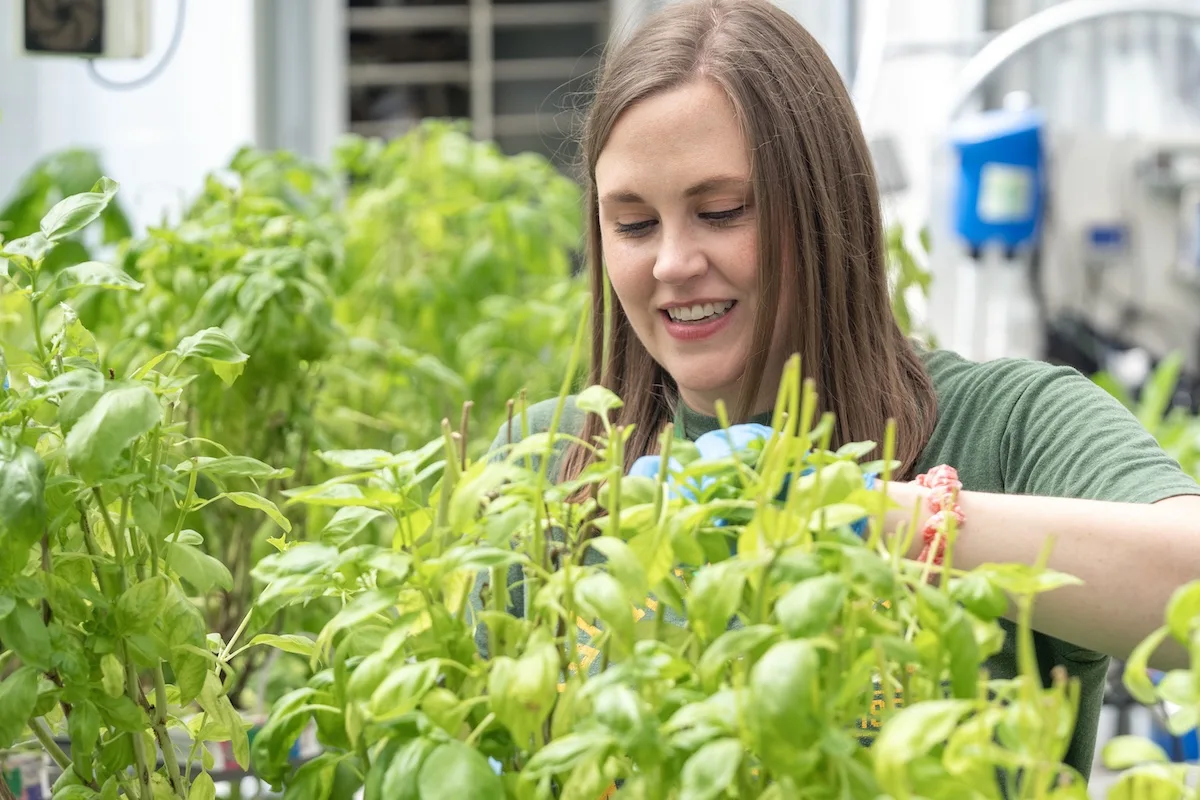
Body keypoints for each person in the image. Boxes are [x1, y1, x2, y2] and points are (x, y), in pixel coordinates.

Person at [472, 0, 1200, 782]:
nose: (673, 263)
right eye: (634, 224)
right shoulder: (545, 465)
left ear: (824, 207)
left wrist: (877, 516)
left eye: (722, 212)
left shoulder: (1004, 427)